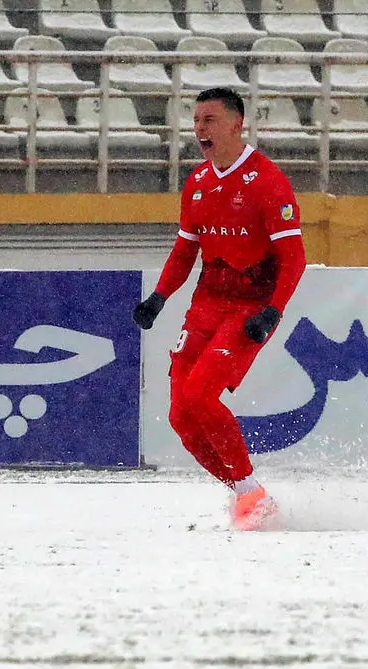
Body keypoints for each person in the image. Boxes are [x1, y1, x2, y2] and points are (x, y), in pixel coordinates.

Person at [132, 87, 307, 531]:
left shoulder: (268, 181)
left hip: (247, 310)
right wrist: (160, 296)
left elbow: (294, 257)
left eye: (209, 120)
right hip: (205, 305)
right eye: (196, 121)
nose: (199, 129)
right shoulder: (197, 183)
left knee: (199, 395)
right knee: (178, 415)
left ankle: (250, 494)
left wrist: (273, 311)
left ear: (236, 124)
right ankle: (248, 494)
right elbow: (183, 251)